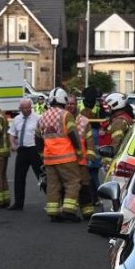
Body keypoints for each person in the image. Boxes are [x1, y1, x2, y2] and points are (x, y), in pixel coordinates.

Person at [37, 87, 83, 222]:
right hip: (66, 157)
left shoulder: (43, 116)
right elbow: (73, 134)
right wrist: (79, 151)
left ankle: (53, 213)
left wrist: (41, 153)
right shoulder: (65, 115)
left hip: (49, 158)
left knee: (53, 185)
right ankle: (68, 211)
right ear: (64, 100)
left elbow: (37, 137)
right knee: (73, 182)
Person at [8, 97, 43, 210]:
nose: (27, 110)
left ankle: (54, 201)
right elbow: (12, 133)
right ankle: (18, 203)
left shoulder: (38, 118)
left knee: (42, 176)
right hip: (22, 150)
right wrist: (13, 144)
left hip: (34, 150)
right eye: (25, 108)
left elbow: (43, 134)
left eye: (29, 107)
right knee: (19, 177)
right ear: (20, 109)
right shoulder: (17, 119)